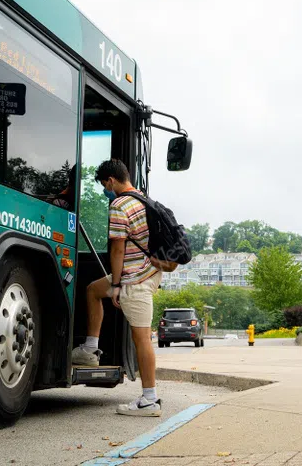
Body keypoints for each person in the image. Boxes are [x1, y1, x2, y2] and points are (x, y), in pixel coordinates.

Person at [71, 159, 173, 417]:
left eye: (105, 185)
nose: (106, 190)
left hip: (134, 280)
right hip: (150, 272)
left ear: (111, 181)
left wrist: (117, 284)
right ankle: (90, 349)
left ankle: (149, 399)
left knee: (142, 338)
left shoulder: (119, 204)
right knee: (93, 290)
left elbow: (117, 248)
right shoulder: (144, 200)